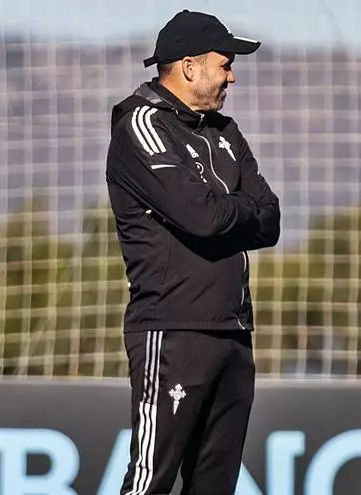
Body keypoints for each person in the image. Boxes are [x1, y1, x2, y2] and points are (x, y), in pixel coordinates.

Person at [105, 9, 280, 495]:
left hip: (234, 332)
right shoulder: (140, 126)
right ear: (188, 66)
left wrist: (225, 210)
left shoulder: (226, 131)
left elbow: (270, 220)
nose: (232, 76)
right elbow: (204, 218)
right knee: (149, 482)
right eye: (225, 64)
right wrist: (235, 210)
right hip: (173, 331)